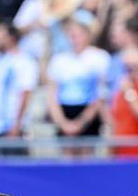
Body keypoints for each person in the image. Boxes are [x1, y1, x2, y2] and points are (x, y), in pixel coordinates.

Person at [46, 14, 110, 143]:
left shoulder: (99, 57)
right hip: (65, 111)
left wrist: (82, 122)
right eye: (71, 35)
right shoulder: (59, 59)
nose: (74, 39)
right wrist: (63, 123)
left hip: (88, 115)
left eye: (78, 35)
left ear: (87, 35)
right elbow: (52, 94)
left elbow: (100, 94)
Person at [0, 22, 38, 154]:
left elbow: (25, 93)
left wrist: (16, 125)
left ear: (11, 38)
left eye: (0, 35)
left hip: (11, 127)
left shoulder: (24, 61)